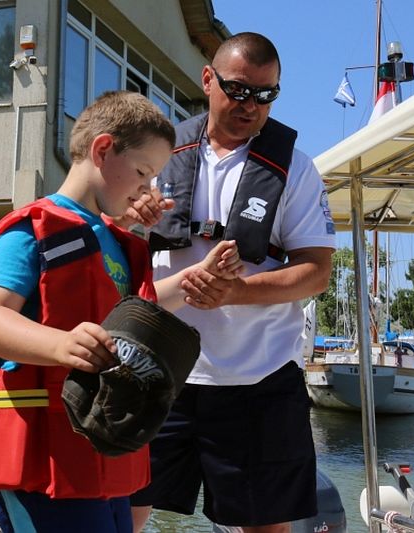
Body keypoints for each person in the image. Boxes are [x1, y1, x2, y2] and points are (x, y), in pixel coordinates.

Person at [0, 90, 242, 533]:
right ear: (103, 149)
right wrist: (62, 344)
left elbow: (132, 311)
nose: (147, 189)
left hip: (100, 459)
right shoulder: (33, 231)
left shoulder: (113, 240)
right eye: (143, 173)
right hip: (42, 464)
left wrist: (196, 277)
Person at [129, 32, 336, 533]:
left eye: (266, 96)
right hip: (159, 369)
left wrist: (238, 292)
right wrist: (127, 217)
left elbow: (317, 269)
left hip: (258, 379)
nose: (251, 106)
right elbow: (110, 244)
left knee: (265, 525)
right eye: (239, 90)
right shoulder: (156, 155)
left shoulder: (296, 169)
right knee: (122, 511)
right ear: (208, 79)